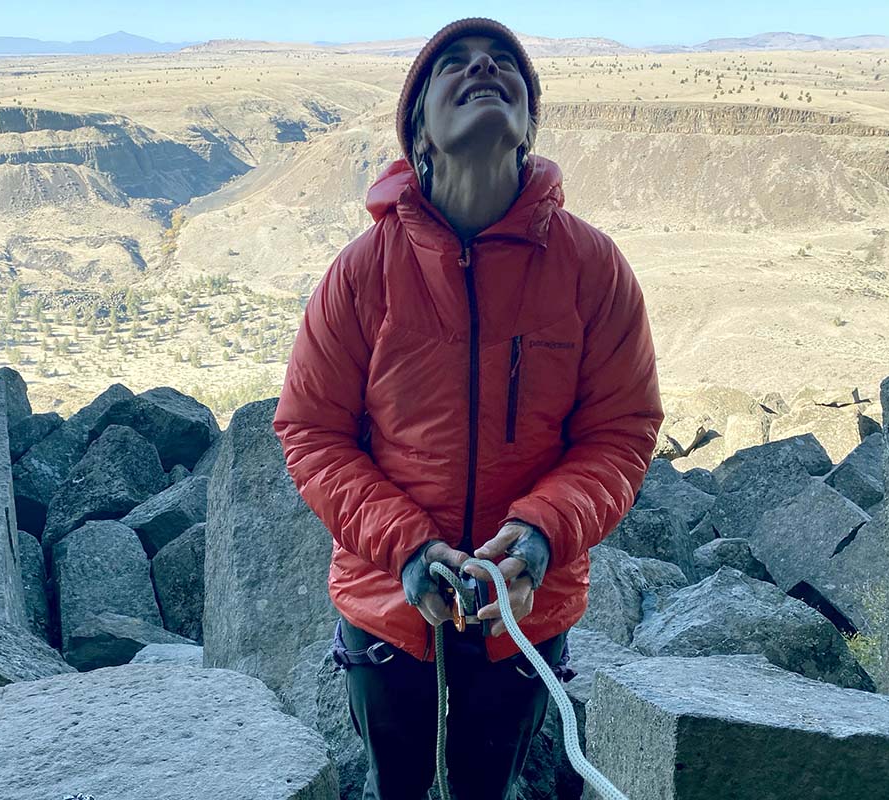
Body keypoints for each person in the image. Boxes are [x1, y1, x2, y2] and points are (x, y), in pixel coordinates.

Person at [273, 16, 664, 800]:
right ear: (418, 126)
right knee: (398, 786)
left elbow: (621, 431)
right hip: (389, 603)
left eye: (503, 64)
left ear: (528, 124)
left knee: (492, 785)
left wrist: (544, 533)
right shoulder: (363, 273)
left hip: (525, 601)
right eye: (454, 62)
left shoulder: (590, 268)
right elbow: (311, 431)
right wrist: (407, 547)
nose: (483, 67)